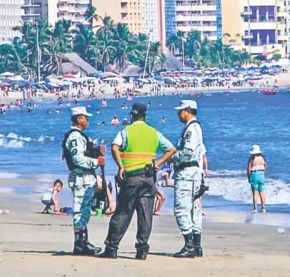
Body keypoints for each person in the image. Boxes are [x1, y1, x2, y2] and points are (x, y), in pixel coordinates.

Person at [99, 103, 176, 260]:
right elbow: (171, 149)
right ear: (145, 117)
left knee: (123, 212)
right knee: (145, 215)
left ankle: (112, 248)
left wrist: (120, 166)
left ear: (132, 116)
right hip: (148, 177)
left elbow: (114, 147)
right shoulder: (154, 133)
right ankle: (142, 250)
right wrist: (158, 164)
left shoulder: (126, 131)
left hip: (131, 176)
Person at [62, 107, 105, 256]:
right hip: (81, 178)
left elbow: (83, 154)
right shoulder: (75, 136)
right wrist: (95, 161)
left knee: (84, 209)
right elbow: (77, 158)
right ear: (79, 119)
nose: (88, 121)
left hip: (84, 178)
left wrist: (97, 153)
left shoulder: (80, 136)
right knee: (80, 210)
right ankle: (80, 244)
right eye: (86, 118)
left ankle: (83, 242)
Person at [171, 100, 207, 258]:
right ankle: (197, 245)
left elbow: (188, 152)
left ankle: (189, 244)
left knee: (182, 208)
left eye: (180, 111)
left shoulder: (191, 129)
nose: (178, 114)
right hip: (195, 173)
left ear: (187, 111)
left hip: (187, 172)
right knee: (194, 209)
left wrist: (173, 157)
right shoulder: (196, 128)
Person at [247, 144, 267, 213]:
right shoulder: (262, 158)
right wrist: (263, 174)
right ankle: (263, 208)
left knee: (255, 193)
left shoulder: (252, 158)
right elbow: (265, 167)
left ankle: (255, 208)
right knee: (262, 192)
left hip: (254, 174)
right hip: (261, 174)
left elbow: (249, 168)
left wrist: (248, 176)